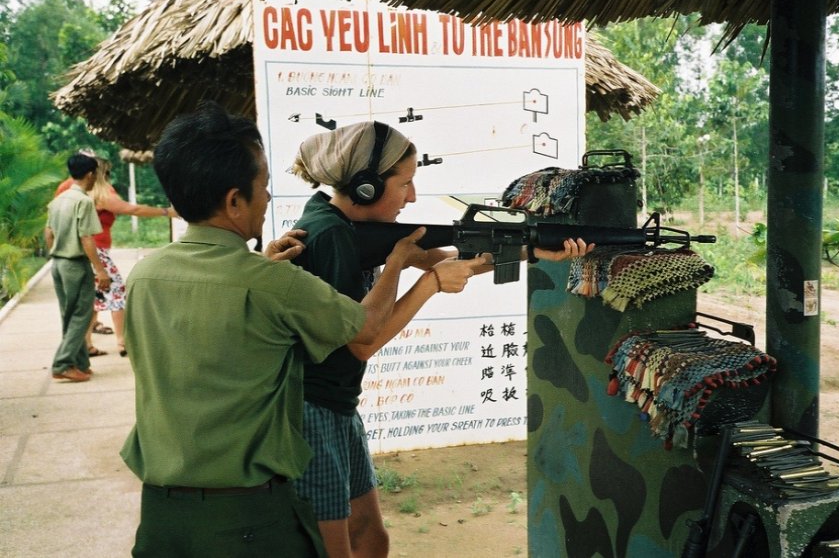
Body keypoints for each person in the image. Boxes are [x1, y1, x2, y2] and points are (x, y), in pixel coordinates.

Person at [119, 102, 426, 557]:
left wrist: (258, 267)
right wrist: (400, 261)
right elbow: (365, 329)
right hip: (247, 518)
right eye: (262, 187)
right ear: (233, 200)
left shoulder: (145, 276)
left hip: (163, 516)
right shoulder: (271, 283)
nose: (267, 199)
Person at [289, 121, 590, 557]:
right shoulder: (331, 234)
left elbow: (442, 256)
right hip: (312, 410)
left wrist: (530, 248)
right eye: (406, 183)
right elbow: (362, 341)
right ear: (367, 188)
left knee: (371, 537)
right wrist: (422, 280)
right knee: (337, 548)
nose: (411, 196)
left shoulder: (337, 223)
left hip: (336, 404)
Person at [84, 157, 177, 356]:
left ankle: (86, 344)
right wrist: (167, 212)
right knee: (116, 292)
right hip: (97, 252)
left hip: (93, 251)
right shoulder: (101, 194)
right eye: (107, 172)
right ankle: (122, 341)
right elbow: (131, 209)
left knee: (96, 298)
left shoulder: (89, 192)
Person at [45, 153, 112, 383]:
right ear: (90, 174)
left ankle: (80, 363)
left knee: (69, 315)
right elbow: (86, 238)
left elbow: (48, 234)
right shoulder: (83, 201)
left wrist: (57, 254)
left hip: (58, 264)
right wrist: (100, 270)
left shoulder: (58, 201)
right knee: (83, 315)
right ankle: (62, 363)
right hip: (75, 264)